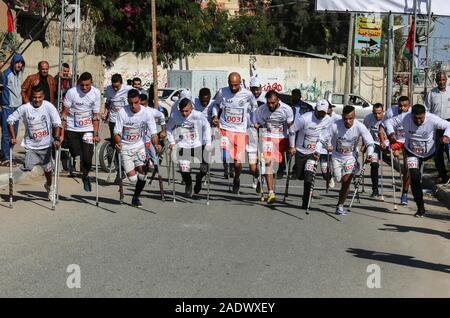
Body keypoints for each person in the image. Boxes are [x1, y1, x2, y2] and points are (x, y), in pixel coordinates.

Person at [384, 104, 450, 217]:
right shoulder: (405, 117)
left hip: (430, 151)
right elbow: (388, 122)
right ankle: (420, 208)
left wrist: (446, 136)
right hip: (412, 152)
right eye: (416, 118)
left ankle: (443, 175)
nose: (418, 121)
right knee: (414, 177)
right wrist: (391, 133)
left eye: (421, 118)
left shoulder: (432, 118)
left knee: (440, 154)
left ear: (425, 115)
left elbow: (448, 125)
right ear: (411, 115)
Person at [315, 105, 374, 215]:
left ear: (354, 116)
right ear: (342, 116)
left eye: (350, 118)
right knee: (340, 180)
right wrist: (318, 150)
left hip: (351, 157)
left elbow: (369, 142)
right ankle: (342, 192)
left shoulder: (359, 126)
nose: (348, 121)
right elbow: (321, 139)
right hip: (337, 157)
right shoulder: (335, 126)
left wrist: (370, 153)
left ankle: (340, 206)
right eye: (345, 118)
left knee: (346, 180)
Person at [7, 85, 61, 200]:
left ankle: (50, 186)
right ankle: (9, 180)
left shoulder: (49, 106)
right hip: (31, 146)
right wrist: (12, 137)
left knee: (48, 169)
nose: (37, 100)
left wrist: (56, 138)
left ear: (43, 96)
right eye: (34, 97)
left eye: (39, 97)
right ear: (31, 97)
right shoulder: (26, 108)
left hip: (46, 145)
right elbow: (10, 120)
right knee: (27, 167)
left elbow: (57, 123)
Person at [212, 72, 258, 194]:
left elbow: (255, 107)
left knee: (238, 164)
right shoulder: (222, 92)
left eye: (236, 85)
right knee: (225, 156)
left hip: (240, 132)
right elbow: (215, 105)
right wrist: (215, 116)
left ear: (240, 84)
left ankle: (236, 179)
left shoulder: (247, 94)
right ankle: (229, 168)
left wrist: (254, 121)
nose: (233, 88)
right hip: (225, 129)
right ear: (228, 82)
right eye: (231, 85)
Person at [114, 89, 161, 207]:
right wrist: (118, 143)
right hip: (125, 148)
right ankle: (133, 170)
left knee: (143, 173)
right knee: (133, 179)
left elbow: (154, 133)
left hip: (139, 146)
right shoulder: (122, 112)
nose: (133, 106)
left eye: (135, 103)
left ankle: (135, 197)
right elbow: (117, 133)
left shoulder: (147, 113)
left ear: (140, 100)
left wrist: (156, 145)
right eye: (130, 103)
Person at [60, 72, 101, 192]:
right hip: (72, 128)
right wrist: (61, 133)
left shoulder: (96, 93)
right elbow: (64, 113)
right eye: (82, 85)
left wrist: (96, 134)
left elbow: (96, 115)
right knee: (77, 155)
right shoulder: (72, 92)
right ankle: (77, 162)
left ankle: (85, 176)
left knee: (88, 158)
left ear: (91, 83)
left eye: (87, 85)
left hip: (87, 127)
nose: (84, 88)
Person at [289, 100, 333, 209]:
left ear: (327, 111)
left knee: (309, 177)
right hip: (301, 150)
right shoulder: (305, 118)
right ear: (315, 109)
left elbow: (328, 135)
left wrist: (327, 146)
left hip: (314, 153)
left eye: (323, 112)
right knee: (299, 176)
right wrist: (292, 146)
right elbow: (292, 130)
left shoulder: (328, 120)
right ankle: (297, 170)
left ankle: (306, 202)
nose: (321, 114)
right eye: (319, 112)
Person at [253, 90, 293, 203]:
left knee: (276, 163)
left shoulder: (286, 109)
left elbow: (291, 128)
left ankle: (265, 178)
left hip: (282, 138)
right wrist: (256, 125)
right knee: (268, 162)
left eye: (273, 103)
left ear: (278, 101)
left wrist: (292, 144)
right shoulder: (262, 110)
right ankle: (271, 192)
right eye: (269, 102)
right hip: (268, 137)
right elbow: (258, 123)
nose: (270, 105)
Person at [167, 98, 212, 196]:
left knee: (204, 169)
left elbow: (207, 126)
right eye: (182, 111)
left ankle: (199, 179)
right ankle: (188, 183)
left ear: (191, 109)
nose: (184, 113)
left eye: (186, 111)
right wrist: (172, 142)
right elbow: (169, 128)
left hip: (198, 145)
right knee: (184, 169)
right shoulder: (175, 115)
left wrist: (208, 142)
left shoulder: (198, 115)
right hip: (183, 145)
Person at [379, 96, 411, 205]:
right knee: (386, 151)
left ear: (409, 105)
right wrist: (382, 141)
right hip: (394, 139)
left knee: (407, 166)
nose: (402, 108)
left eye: (405, 106)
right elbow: (382, 127)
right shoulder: (391, 111)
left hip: (408, 140)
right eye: (400, 106)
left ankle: (405, 193)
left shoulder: (412, 113)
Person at [103, 73, 132, 183]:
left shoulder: (128, 89)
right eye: (114, 86)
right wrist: (105, 113)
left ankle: (127, 167)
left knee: (125, 145)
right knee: (116, 145)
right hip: (113, 120)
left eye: (117, 86)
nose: (115, 89)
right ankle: (120, 171)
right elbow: (108, 102)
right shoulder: (109, 89)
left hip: (125, 121)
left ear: (121, 83)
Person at [0, 53, 25, 166]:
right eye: (17, 63)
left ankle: (7, 155)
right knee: (6, 133)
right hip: (7, 107)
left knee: (13, 133)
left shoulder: (20, 73)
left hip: (17, 108)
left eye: (21, 63)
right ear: (13, 63)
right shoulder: (6, 74)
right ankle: (5, 158)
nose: (19, 65)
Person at [425, 71, 450, 184]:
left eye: (443, 80)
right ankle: (442, 175)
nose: (441, 82)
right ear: (436, 81)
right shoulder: (431, 93)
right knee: (438, 152)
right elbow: (427, 110)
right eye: (439, 80)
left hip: (449, 124)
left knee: (449, 151)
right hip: (436, 125)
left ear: (446, 80)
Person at [363, 103, 387, 197]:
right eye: (375, 113)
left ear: (383, 112)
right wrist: (364, 144)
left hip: (386, 143)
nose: (377, 115)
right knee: (374, 165)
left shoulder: (388, 118)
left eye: (379, 113)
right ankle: (375, 189)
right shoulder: (368, 118)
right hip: (374, 144)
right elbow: (364, 132)